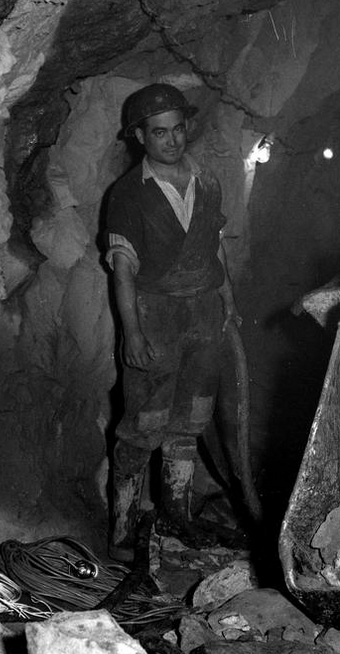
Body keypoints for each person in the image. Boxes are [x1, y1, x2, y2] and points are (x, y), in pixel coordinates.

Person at [103, 82, 239, 553]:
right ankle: (122, 524)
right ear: (140, 136)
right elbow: (123, 270)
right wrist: (133, 333)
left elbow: (215, 248)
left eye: (178, 129)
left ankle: (175, 516)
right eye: (159, 132)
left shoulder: (209, 182)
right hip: (155, 313)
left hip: (202, 312)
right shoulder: (128, 194)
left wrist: (230, 303)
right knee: (144, 423)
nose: (172, 140)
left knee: (190, 419)